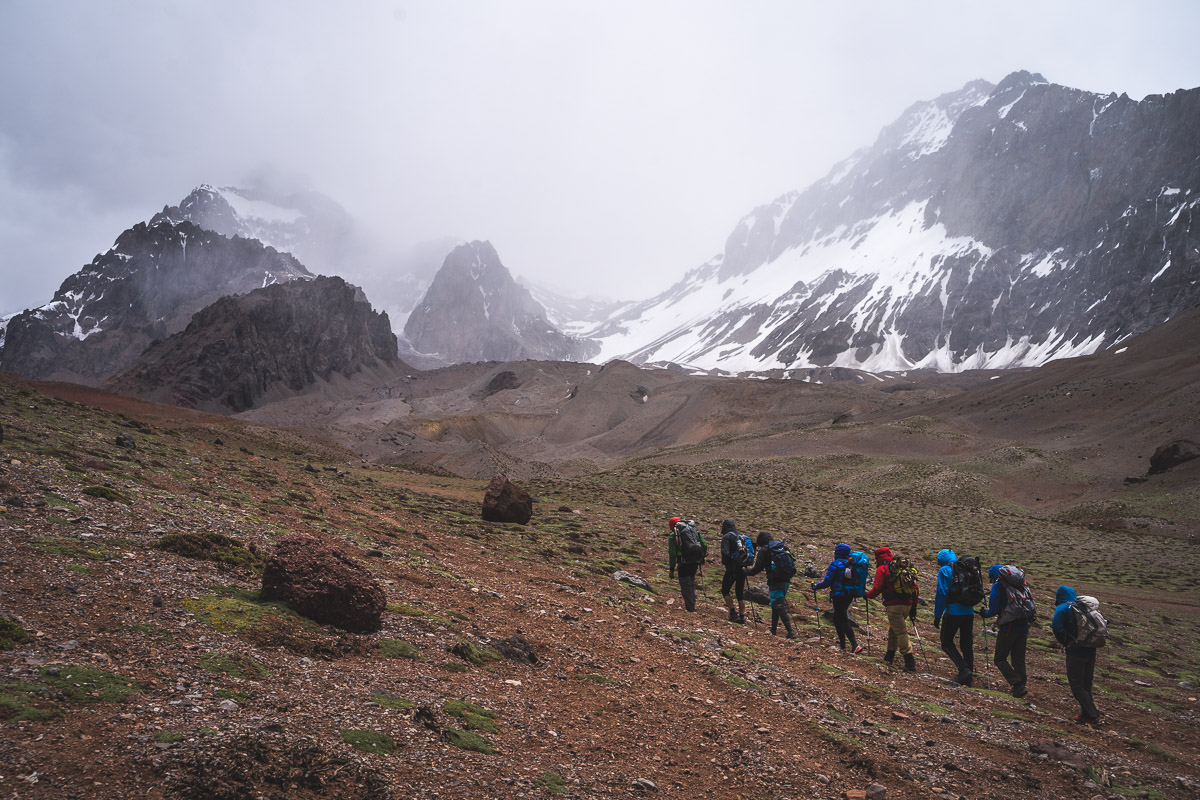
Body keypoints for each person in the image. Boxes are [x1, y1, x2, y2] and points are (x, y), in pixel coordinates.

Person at [979, 564, 1033, 698]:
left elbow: (993, 610)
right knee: (1018, 659)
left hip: (1008, 627)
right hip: (1023, 625)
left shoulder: (999, 586)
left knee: (1000, 658)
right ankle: (1021, 685)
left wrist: (984, 613)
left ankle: (1017, 684)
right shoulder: (1021, 584)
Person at [1051, 586, 1102, 723]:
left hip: (1075, 650)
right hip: (1091, 649)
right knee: (1086, 685)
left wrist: (1065, 641)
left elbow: (1056, 626)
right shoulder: (1082, 607)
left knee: (1077, 686)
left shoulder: (1063, 608)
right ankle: (1086, 713)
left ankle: (1092, 714)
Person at [864, 546, 918, 671]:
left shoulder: (882, 569)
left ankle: (910, 662)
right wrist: (913, 607)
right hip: (907, 604)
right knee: (893, 630)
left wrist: (867, 595)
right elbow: (916, 589)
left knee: (900, 632)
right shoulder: (901, 568)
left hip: (894, 605)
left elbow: (877, 588)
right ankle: (889, 656)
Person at [934, 549, 976, 686]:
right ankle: (969, 674)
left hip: (953, 612)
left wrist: (937, 615)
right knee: (966, 643)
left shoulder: (945, 570)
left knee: (946, 642)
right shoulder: (966, 569)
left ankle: (964, 670)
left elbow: (941, 593)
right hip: (969, 611)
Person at [743, 532, 797, 639]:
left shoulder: (765, 550)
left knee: (779, 605)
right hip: (786, 579)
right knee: (775, 605)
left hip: (775, 580)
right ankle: (773, 629)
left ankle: (790, 631)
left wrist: (746, 571)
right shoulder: (781, 546)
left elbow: (756, 569)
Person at [812, 543, 861, 653]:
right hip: (849, 595)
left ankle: (855, 645)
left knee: (842, 619)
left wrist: (816, 586)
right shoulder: (850, 564)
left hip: (839, 595)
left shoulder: (836, 564)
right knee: (837, 618)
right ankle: (843, 646)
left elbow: (827, 582)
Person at [667, 516, 705, 613]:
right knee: (691, 581)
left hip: (683, 562)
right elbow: (704, 544)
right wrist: (702, 557)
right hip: (695, 561)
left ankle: (690, 607)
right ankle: (692, 603)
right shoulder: (693, 530)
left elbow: (672, 553)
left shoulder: (674, 534)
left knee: (685, 583)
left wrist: (671, 569)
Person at [718, 519, 748, 624]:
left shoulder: (726, 537)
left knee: (725, 590)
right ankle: (742, 617)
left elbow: (725, 553)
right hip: (742, 568)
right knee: (740, 593)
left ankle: (733, 613)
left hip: (732, 568)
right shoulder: (740, 537)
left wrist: (726, 562)